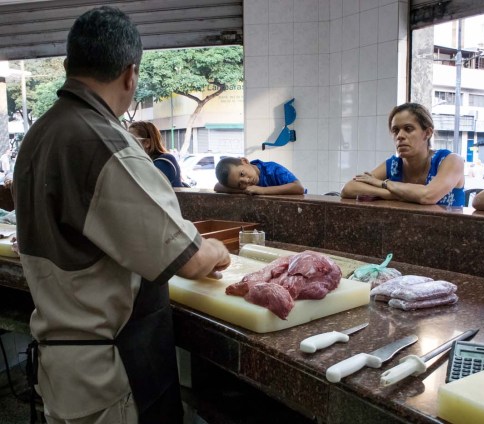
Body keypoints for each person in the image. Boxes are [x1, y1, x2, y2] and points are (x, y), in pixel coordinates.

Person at [13, 6, 231, 424]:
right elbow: (189, 259)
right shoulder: (103, 142)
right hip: (107, 374)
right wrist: (218, 250)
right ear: (131, 74)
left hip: (61, 365)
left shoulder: (40, 133)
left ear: (67, 66)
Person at [340, 103, 465, 206]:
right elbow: (348, 188)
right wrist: (392, 194)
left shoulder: (451, 161)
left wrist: (383, 184)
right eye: (395, 130)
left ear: (427, 133)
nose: (400, 136)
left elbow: (428, 196)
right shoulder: (394, 165)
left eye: (408, 129)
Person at [128, 120, 187, 188]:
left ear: (147, 143)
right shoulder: (143, 161)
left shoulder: (164, 162)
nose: (127, 143)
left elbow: (142, 189)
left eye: (131, 139)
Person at [214, 157, 305, 195]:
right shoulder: (245, 186)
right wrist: (243, 190)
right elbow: (217, 186)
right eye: (240, 184)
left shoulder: (272, 169)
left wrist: (262, 190)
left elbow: (299, 187)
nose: (246, 181)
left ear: (245, 161)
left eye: (242, 174)